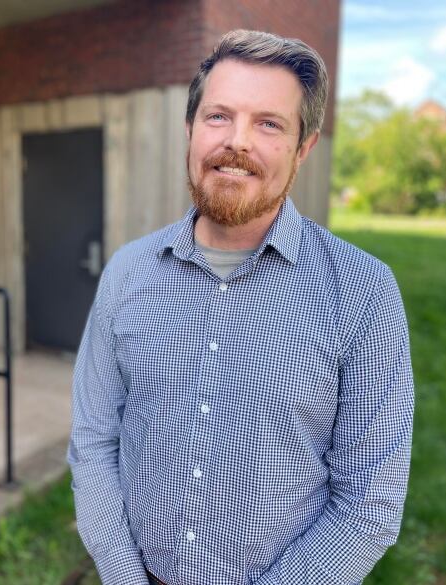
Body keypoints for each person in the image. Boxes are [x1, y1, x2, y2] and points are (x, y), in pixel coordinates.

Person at [67, 29, 415, 585]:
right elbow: (94, 442)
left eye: (269, 124)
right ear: (190, 129)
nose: (237, 142)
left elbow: (368, 501)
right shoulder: (127, 273)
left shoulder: (363, 292)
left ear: (304, 147)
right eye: (218, 116)